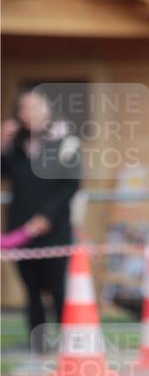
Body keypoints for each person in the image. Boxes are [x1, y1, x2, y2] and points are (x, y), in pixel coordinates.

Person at [1, 90, 80, 352]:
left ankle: (66, 343)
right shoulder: (15, 146)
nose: (30, 113)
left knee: (57, 287)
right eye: (24, 109)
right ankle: (37, 345)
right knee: (31, 289)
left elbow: (71, 184)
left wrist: (46, 217)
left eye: (36, 108)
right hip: (20, 228)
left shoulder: (64, 142)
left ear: (48, 111)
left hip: (53, 227)